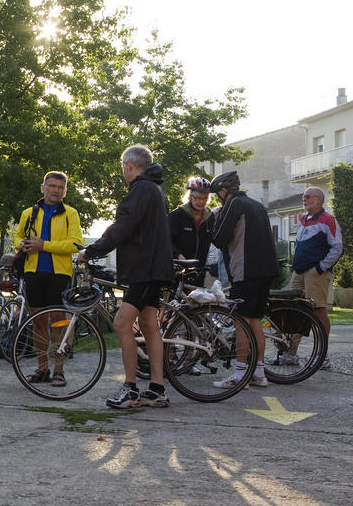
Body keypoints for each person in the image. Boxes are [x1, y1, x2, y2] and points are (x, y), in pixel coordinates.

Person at [80, 144, 173, 409]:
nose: (123, 171)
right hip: (154, 268)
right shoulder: (154, 189)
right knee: (149, 325)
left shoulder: (141, 190)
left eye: (123, 167)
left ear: (129, 165)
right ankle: (156, 389)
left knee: (122, 323)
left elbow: (122, 227)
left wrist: (92, 250)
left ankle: (131, 389)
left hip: (145, 270)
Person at [208, 169, 280, 389]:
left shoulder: (233, 205)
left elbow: (219, 238)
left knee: (241, 323)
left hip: (246, 270)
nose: (216, 198)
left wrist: (215, 220)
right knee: (255, 321)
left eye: (216, 194)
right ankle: (258, 373)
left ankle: (240, 376)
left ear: (223, 190)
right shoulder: (256, 205)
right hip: (266, 270)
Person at [13, 171, 83, 387]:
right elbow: (17, 236)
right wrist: (22, 244)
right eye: (52, 186)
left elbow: (75, 244)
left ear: (65, 191)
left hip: (59, 275)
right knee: (38, 323)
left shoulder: (70, 213)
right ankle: (42, 369)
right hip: (33, 273)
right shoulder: (29, 212)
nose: (56, 190)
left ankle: (59, 371)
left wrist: (44, 245)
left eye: (60, 187)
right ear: (43, 188)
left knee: (59, 323)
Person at [283, 186, 343, 368]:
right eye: (303, 197)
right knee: (296, 310)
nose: (304, 199)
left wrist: (321, 267)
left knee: (318, 310)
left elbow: (338, 247)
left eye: (308, 196)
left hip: (315, 272)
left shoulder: (328, 219)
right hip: (299, 271)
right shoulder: (302, 220)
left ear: (319, 199)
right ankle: (290, 354)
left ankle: (322, 356)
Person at [169, 176, 215, 286]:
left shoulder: (210, 217)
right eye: (197, 198)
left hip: (199, 270)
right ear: (190, 196)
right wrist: (177, 254)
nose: (201, 201)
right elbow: (165, 240)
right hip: (178, 269)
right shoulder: (177, 215)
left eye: (204, 198)